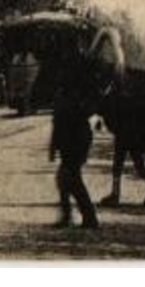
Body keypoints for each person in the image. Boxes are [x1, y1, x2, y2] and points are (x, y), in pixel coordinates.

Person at [50, 48, 100, 229]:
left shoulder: (69, 95)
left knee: (68, 178)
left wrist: (54, 146)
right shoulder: (68, 93)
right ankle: (77, 216)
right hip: (75, 139)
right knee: (68, 178)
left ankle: (84, 216)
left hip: (74, 139)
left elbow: (60, 121)